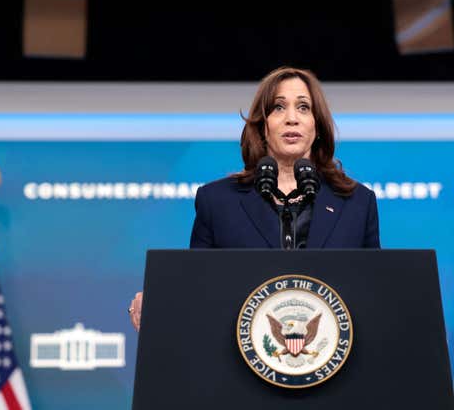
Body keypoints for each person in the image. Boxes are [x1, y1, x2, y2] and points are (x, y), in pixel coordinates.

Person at [128, 66, 380, 331]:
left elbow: (376, 293)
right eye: (278, 107)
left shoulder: (356, 203)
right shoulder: (218, 201)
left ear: (317, 126)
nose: (291, 118)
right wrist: (159, 304)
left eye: (304, 107)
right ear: (263, 126)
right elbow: (197, 289)